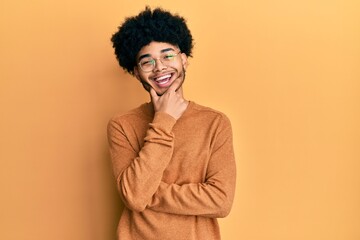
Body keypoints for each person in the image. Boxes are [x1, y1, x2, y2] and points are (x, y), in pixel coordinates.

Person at [107, 7, 236, 240]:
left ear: (184, 60)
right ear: (136, 72)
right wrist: (164, 120)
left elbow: (221, 201)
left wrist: (147, 193)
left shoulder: (215, 123)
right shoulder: (122, 126)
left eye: (168, 56)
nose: (160, 68)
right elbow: (134, 196)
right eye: (147, 62)